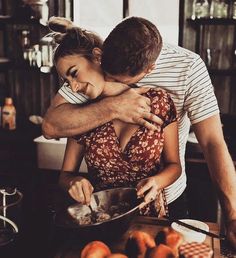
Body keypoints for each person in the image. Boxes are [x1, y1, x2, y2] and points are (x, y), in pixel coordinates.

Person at [42, 17, 236, 248]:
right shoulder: (90, 76)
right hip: (102, 215)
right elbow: (51, 126)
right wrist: (113, 106)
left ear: (148, 70)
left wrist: (232, 215)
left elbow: (213, 143)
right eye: (108, 75)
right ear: (100, 55)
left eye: (117, 81)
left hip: (163, 208)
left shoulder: (183, 74)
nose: (110, 84)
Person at [48, 16, 182, 217]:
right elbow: (65, 175)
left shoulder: (159, 101)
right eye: (67, 81)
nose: (73, 87)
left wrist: (157, 181)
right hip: (102, 218)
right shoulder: (80, 113)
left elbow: (174, 166)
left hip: (150, 218)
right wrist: (73, 182)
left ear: (98, 57)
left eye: (74, 73)